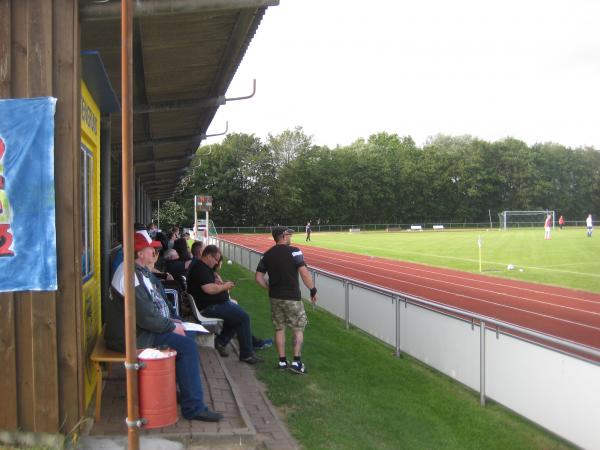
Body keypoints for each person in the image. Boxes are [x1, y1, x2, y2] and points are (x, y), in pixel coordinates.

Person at [104, 229, 222, 422]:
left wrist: (175, 320)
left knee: (187, 337)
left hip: (139, 330)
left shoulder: (141, 272)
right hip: (132, 336)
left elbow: (160, 303)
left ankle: (177, 391)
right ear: (140, 253)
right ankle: (193, 407)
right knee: (188, 346)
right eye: (153, 250)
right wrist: (171, 326)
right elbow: (147, 318)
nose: (156, 254)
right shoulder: (130, 275)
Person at [255, 227, 318, 374]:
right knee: (297, 328)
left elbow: (258, 278)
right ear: (283, 236)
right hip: (292, 298)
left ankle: (282, 361)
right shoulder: (295, 251)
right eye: (289, 234)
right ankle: (296, 362)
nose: (291, 237)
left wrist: (269, 288)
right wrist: (313, 290)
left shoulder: (268, 255)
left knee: (279, 328)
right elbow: (304, 273)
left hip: (275, 298)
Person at [187, 245, 264, 365]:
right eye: (216, 259)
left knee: (237, 315)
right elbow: (209, 289)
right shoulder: (200, 268)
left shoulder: (203, 267)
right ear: (208, 256)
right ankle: (247, 354)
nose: (217, 262)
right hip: (208, 307)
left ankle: (221, 342)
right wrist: (225, 286)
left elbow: (210, 285)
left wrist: (220, 284)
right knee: (243, 317)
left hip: (213, 304)